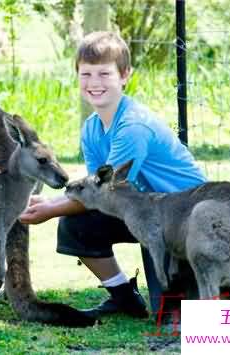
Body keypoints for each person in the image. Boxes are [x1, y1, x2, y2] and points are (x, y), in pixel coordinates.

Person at [19, 31, 206, 322]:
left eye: (104, 73)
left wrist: (51, 207)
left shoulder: (133, 126)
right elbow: (95, 190)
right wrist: (52, 203)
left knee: (175, 318)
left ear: (125, 75)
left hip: (183, 217)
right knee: (76, 225)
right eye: (86, 74)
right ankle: (124, 298)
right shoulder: (92, 128)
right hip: (139, 211)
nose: (94, 83)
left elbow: (104, 192)